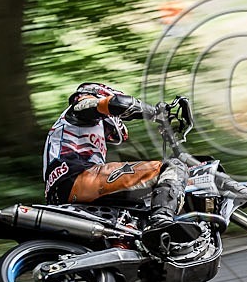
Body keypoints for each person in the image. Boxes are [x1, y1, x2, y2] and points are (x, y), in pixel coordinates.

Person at [43, 82, 199, 252]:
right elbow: (117, 103)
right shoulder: (79, 107)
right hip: (78, 178)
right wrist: (155, 112)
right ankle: (161, 222)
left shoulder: (79, 130)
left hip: (64, 191)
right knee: (172, 167)